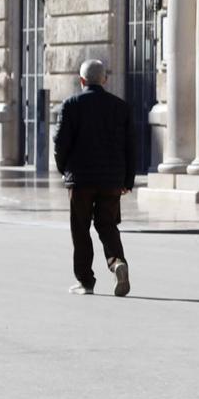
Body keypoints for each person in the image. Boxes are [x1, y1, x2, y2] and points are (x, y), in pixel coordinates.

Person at [54, 60, 136, 296]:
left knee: (80, 228)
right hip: (111, 180)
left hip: (80, 180)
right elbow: (131, 146)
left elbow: (60, 144)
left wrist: (64, 170)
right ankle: (117, 262)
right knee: (107, 224)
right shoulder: (121, 107)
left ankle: (85, 281)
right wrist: (127, 180)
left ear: (82, 81)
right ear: (105, 79)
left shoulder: (71, 105)